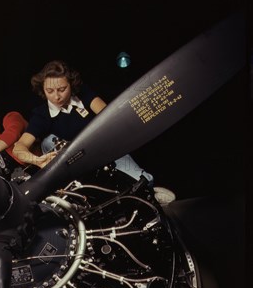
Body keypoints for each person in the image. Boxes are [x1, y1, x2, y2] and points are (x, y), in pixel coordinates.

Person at [13, 60, 175, 204]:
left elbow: (110, 116)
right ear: (43, 89)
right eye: (50, 91)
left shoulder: (84, 95)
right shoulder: (41, 115)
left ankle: (152, 198)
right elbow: (18, 148)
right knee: (48, 140)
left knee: (145, 181)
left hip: (103, 148)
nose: (56, 96)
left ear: (71, 85)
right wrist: (37, 160)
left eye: (62, 89)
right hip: (75, 163)